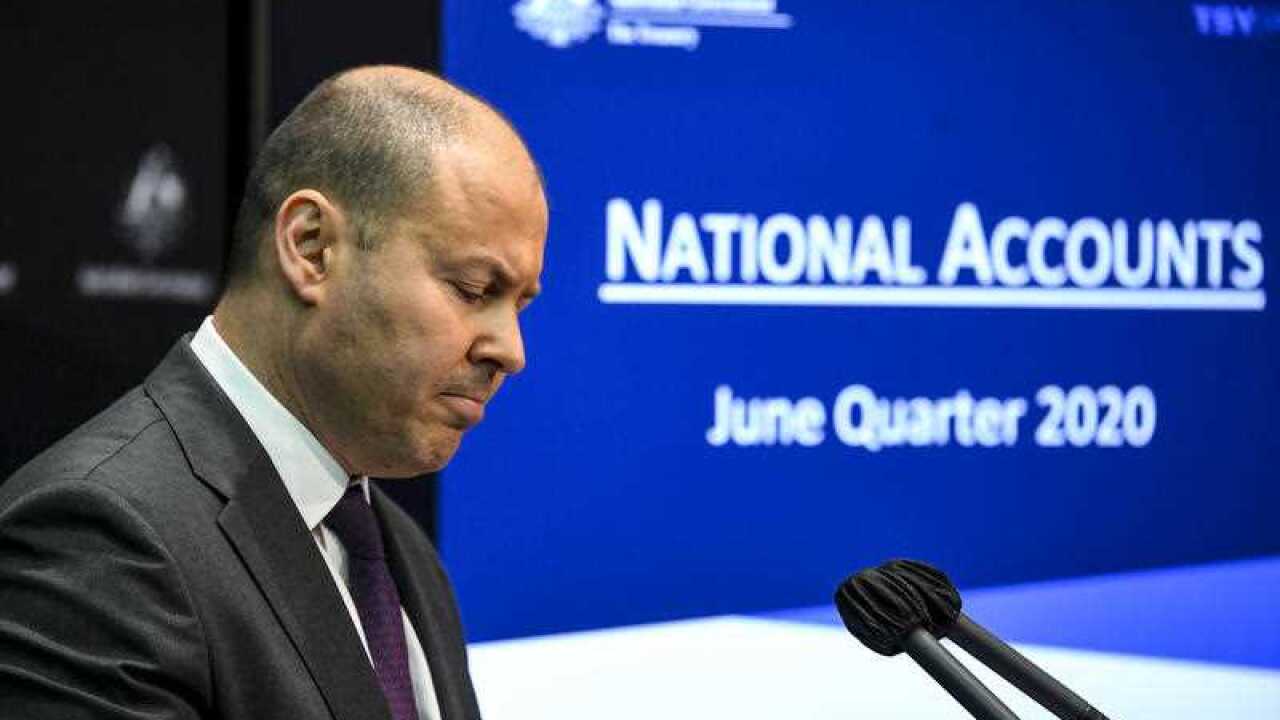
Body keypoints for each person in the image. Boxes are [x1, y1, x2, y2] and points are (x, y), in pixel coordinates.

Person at [0, 65, 547, 720]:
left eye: (520, 304)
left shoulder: (401, 553)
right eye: (473, 289)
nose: (510, 350)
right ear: (310, 247)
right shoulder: (100, 535)